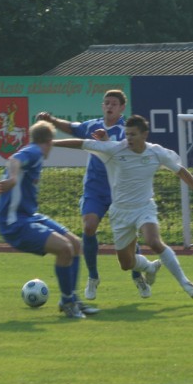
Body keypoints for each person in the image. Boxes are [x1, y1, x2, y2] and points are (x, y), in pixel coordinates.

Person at [53, 114, 193, 299]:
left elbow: (181, 171)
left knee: (154, 241)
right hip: (120, 212)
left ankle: (186, 284)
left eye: (133, 134)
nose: (129, 138)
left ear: (144, 134)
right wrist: (51, 142)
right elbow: (82, 143)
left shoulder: (157, 152)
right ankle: (149, 266)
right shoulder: (115, 149)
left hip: (144, 208)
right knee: (126, 264)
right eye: (127, 134)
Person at [37, 89, 149, 301]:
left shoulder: (128, 132)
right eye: (106, 103)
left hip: (120, 190)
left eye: (114, 104)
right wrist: (50, 119)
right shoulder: (92, 126)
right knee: (88, 227)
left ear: (122, 108)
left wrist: (107, 142)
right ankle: (93, 278)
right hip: (95, 189)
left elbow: (132, 154)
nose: (109, 106)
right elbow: (71, 128)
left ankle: (137, 275)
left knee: (129, 237)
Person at [0, 120, 98, 319]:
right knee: (65, 249)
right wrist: (13, 178)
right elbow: (14, 160)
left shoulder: (34, 154)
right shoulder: (34, 152)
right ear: (50, 141)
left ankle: (72, 299)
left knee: (76, 244)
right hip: (14, 222)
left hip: (30, 216)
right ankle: (68, 303)